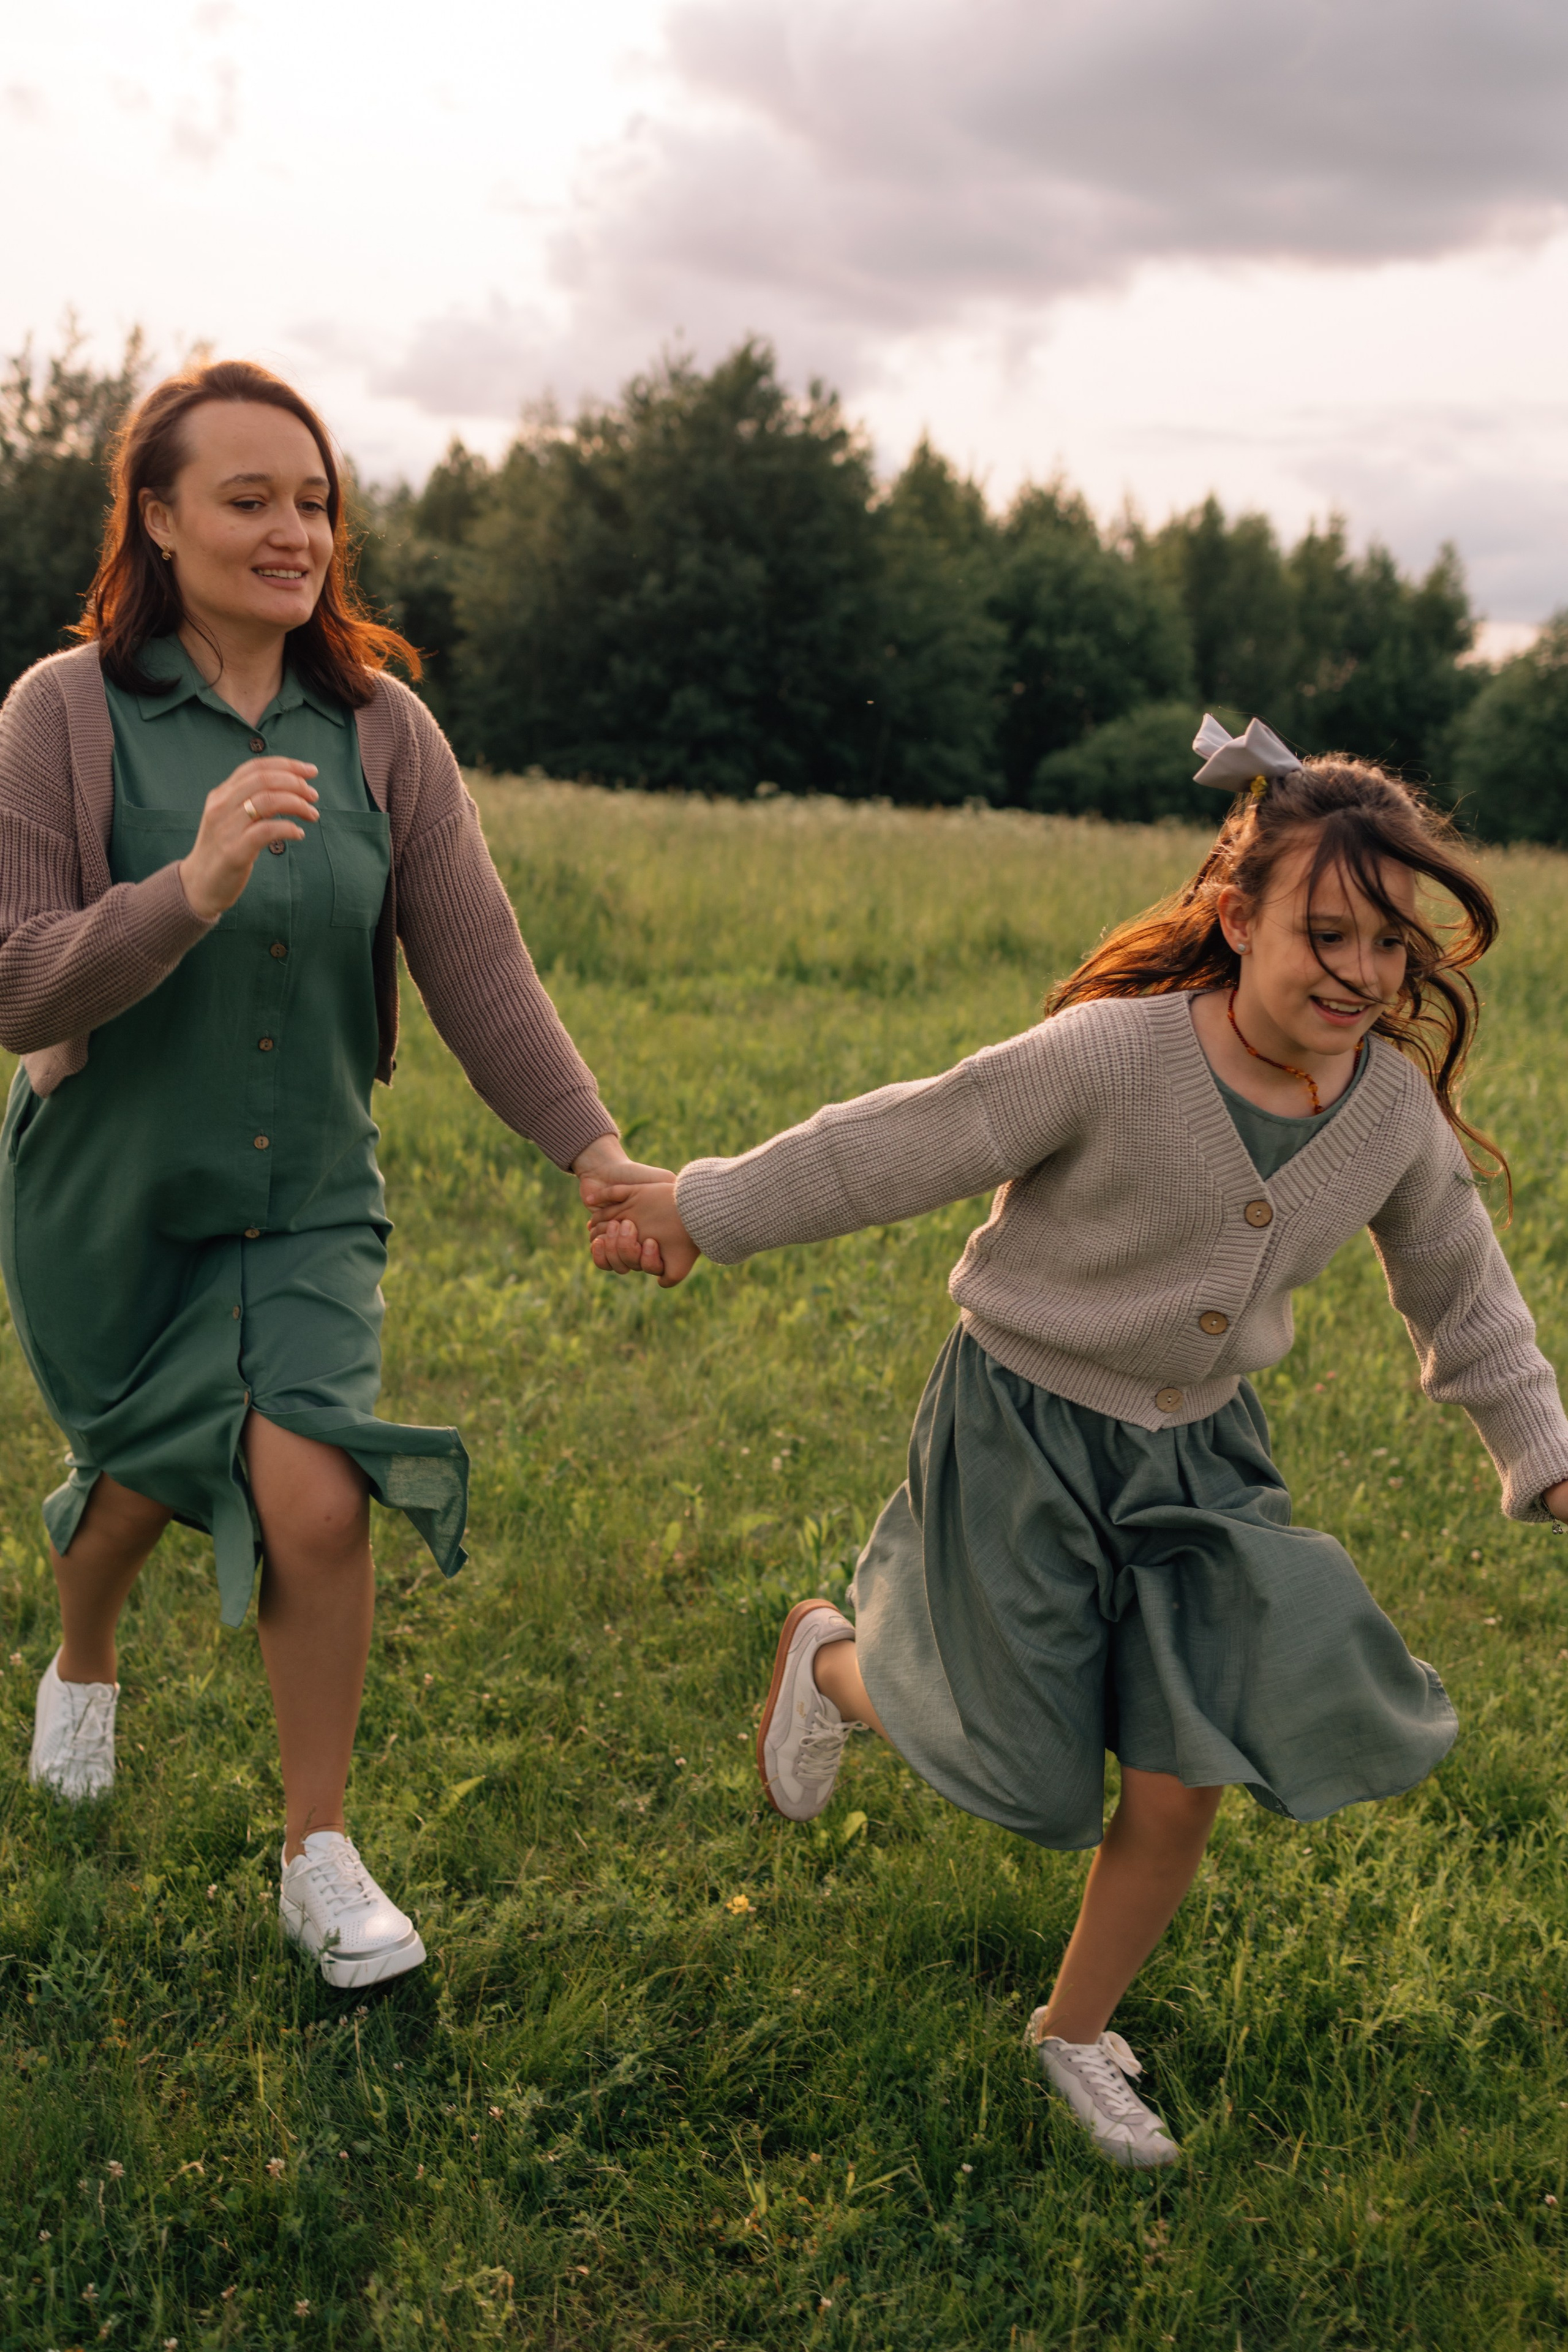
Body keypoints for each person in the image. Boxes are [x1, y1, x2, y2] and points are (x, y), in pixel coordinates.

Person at [583, 716, 1568, 2168]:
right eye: (1327, 932)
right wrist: (700, 1206)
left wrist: (1538, 1452)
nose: (1362, 972)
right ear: (1235, 920)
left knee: (1183, 1772)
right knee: (1002, 1742)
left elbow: (1463, 1294)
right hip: (1024, 1430)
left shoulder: (1388, 1118)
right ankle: (834, 1664)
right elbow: (902, 1141)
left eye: (1390, 945)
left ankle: (1071, 2032)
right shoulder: (1113, 1057)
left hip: (1201, 1464)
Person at [0, 360, 662, 1989]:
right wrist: (189, 886)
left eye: (314, 502)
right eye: (249, 500)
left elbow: (478, 969)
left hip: (308, 1195)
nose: (293, 531)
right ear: (156, 518)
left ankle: (319, 1850)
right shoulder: (62, 714)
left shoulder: (383, 729)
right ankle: (84, 1654)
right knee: (139, 1484)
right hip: (114, 1198)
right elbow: (19, 985)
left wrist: (598, 1153)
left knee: (310, 1484)